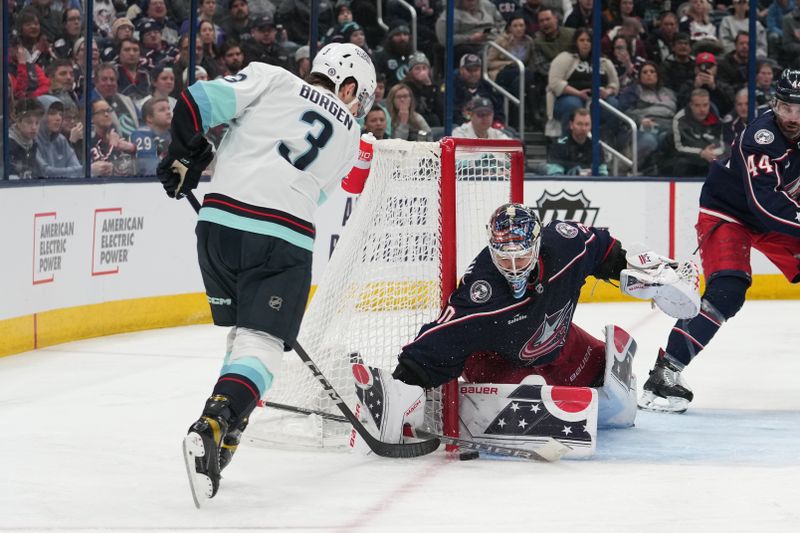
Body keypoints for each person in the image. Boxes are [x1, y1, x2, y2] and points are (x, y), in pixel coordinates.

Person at [156, 42, 376, 505]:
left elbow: (195, 102)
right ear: (348, 86)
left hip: (218, 228)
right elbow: (311, 195)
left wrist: (185, 153)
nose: (359, 107)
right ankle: (217, 419)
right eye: (360, 96)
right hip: (282, 236)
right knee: (261, 342)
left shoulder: (272, 78)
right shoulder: (351, 133)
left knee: (244, 337)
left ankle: (229, 431)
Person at [351, 202, 699, 444]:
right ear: (491, 248)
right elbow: (437, 340)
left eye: (521, 255)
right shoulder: (481, 294)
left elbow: (606, 251)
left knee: (617, 406)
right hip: (501, 362)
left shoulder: (566, 243)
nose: (514, 265)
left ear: (538, 243)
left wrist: (649, 272)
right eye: (504, 256)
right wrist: (400, 387)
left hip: (558, 343)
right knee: (533, 390)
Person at [641, 68, 800, 414]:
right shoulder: (761, 138)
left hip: (775, 214)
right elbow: (766, 205)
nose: (792, 117)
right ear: (774, 104)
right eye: (787, 107)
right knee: (727, 290)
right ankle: (664, 373)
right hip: (729, 213)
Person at [665, 88, 725, 177]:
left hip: (710, 158)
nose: (702, 109)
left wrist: (710, 154)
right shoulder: (680, 119)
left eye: (705, 105)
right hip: (688, 159)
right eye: (697, 105)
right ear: (691, 105)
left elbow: (722, 147)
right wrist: (701, 153)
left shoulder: (717, 120)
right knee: (681, 163)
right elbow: (678, 147)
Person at [546, 108, 607, 176]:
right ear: (571, 125)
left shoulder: (596, 147)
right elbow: (555, 176)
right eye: (579, 124)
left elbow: (603, 175)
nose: (583, 128)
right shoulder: (559, 145)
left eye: (587, 124)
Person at [35, 98, 83, 178]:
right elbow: (45, 172)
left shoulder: (61, 140)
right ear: (39, 116)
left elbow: (76, 167)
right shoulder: (31, 141)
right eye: (52, 113)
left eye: (60, 114)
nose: (58, 118)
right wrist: (88, 170)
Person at [131, 97, 172, 175]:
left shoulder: (171, 135)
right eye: (162, 110)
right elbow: (150, 168)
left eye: (168, 109)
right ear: (149, 118)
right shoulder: (142, 134)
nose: (168, 112)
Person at [8, 99, 45, 180]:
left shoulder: (33, 144)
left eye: (37, 123)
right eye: (29, 122)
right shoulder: (7, 145)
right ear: (18, 122)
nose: (34, 127)